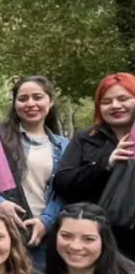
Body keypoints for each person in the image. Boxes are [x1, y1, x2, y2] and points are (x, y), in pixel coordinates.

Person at [0, 76, 68, 270]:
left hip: (44, 235)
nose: (30, 104)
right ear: (15, 104)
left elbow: (66, 190)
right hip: (2, 232)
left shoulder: (63, 146)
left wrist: (46, 221)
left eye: (37, 97)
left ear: (50, 101)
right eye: (23, 98)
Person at [54, 73, 135, 258]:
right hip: (92, 241)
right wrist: (105, 164)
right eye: (107, 101)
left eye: (123, 99)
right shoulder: (85, 139)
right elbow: (62, 182)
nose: (115, 106)